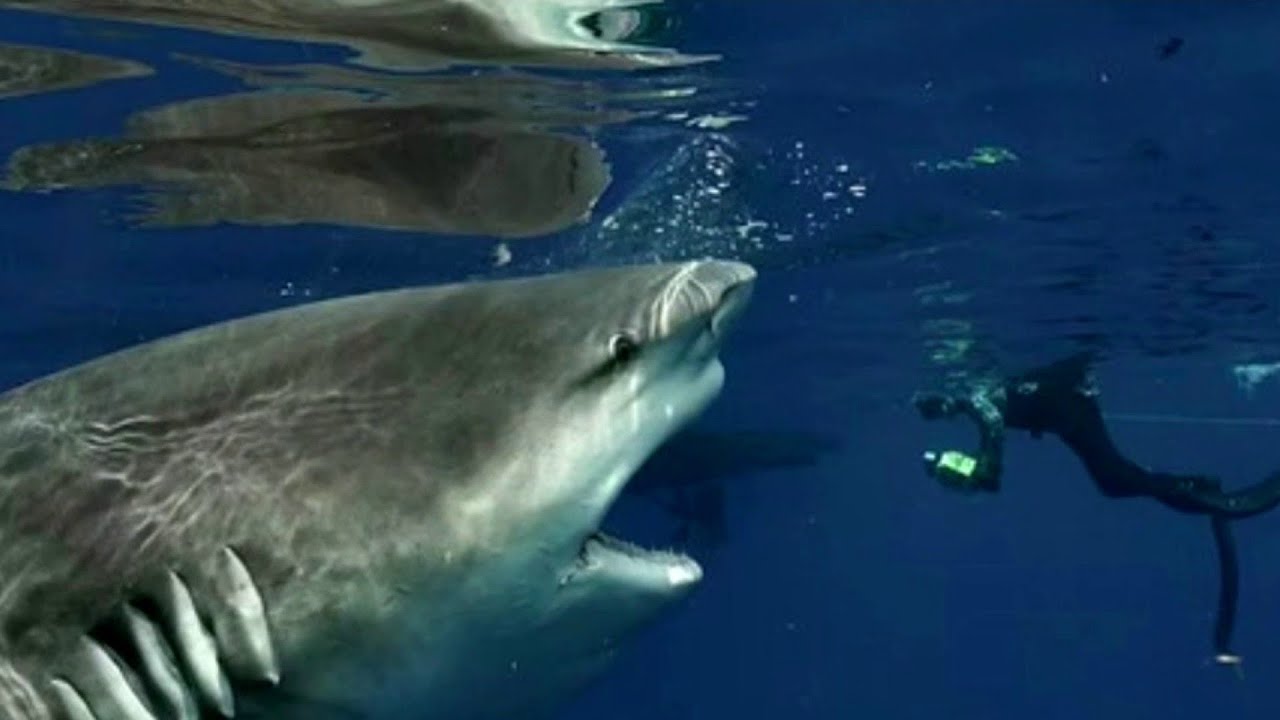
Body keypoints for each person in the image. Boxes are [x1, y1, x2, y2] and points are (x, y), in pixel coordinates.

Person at [913, 351, 1280, 668]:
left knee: (1115, 479)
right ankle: (1196, 488)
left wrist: (973, 469)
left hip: (1067, 405)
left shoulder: (975, 396)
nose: (939, 414)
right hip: (1064, 409)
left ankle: (1200, 491)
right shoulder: (971, 398)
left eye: (933, 407)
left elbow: (992, 450)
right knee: (1115, 480)